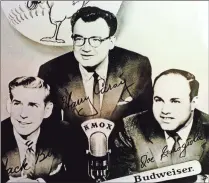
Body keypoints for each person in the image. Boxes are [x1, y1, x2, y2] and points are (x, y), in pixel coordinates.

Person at [38, 6, 153, 125]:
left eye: (95, 40)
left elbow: (145, 123)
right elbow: (49, 130)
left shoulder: (136, 66)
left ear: (111, 42)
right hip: (72, 142)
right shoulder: (51, 71)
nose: (86, 48)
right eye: (79, 39)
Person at [112, 69, 209, 182]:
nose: (165, 110)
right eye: (158, 100)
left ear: (193, 103)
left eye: (175, 101)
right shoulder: (131, 127)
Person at [1, 76, 68, 183]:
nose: (23, 114)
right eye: (17, 103)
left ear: (47, 110)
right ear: (9, 105)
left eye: (32, 105)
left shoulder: (66, 134)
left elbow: (77, 177)